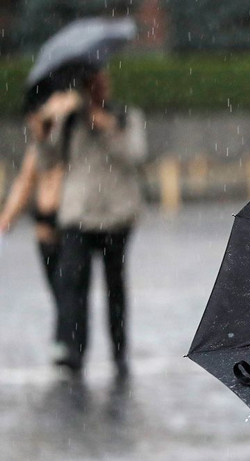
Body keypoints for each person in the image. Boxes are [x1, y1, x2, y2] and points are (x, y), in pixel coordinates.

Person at [37, 69, 147, 377]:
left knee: (116, 286)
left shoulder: (126, 116)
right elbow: (47, 161)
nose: (97, 89)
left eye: (102, 83)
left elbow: (136, 155)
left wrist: (110, 128)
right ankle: (74, 350)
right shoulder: (70, 120)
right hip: (78, 216)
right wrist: (45, 130)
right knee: (74, 283)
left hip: (116, 215)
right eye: (91, 84)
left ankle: (119, 350)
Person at [0, 91, 81, 360]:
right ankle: (65, 337)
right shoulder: (37, 151)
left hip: (68, 221)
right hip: (45, 225)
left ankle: (68, 340)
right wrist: (7, 217)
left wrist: (54, 112)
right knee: (57, 287)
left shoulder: (68, 142)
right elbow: (24, 183)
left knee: (67, 285)